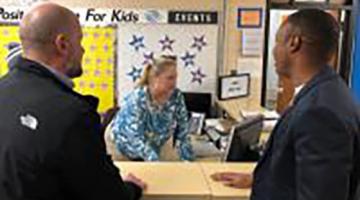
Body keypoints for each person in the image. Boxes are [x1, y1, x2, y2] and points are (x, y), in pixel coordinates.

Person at [0, 3, 146, 200]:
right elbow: (108, 195)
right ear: (63, 44)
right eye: (80, 40)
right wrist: (132, 188)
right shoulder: (72, 115)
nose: (83, 50)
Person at [212, 9, 360, 200]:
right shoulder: (326, 91)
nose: (273, 51)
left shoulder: (319, 112)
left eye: (277, 42)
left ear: (294, 43)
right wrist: (259, 179)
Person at [110, 55, 195, 161]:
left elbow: (183, 133)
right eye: (170, 78)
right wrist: (154, 160)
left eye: (175, 78)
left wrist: (189, 162)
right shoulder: (138, 98)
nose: (174, 83)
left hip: (154, 144)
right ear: (155, 78)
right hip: (122, 145)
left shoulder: (177, 97)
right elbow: (133, 138)